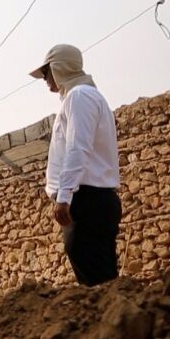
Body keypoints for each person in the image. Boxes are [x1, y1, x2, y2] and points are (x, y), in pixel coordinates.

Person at [30, 44, 121, 286]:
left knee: (96, 281)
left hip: (87, 200)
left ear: (58, 68)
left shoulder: (79, 97)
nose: (45, 80)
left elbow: (77, 148)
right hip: (93, 200)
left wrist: (64, 196)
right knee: (100, 277)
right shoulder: (85, 97)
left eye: (46, 73)